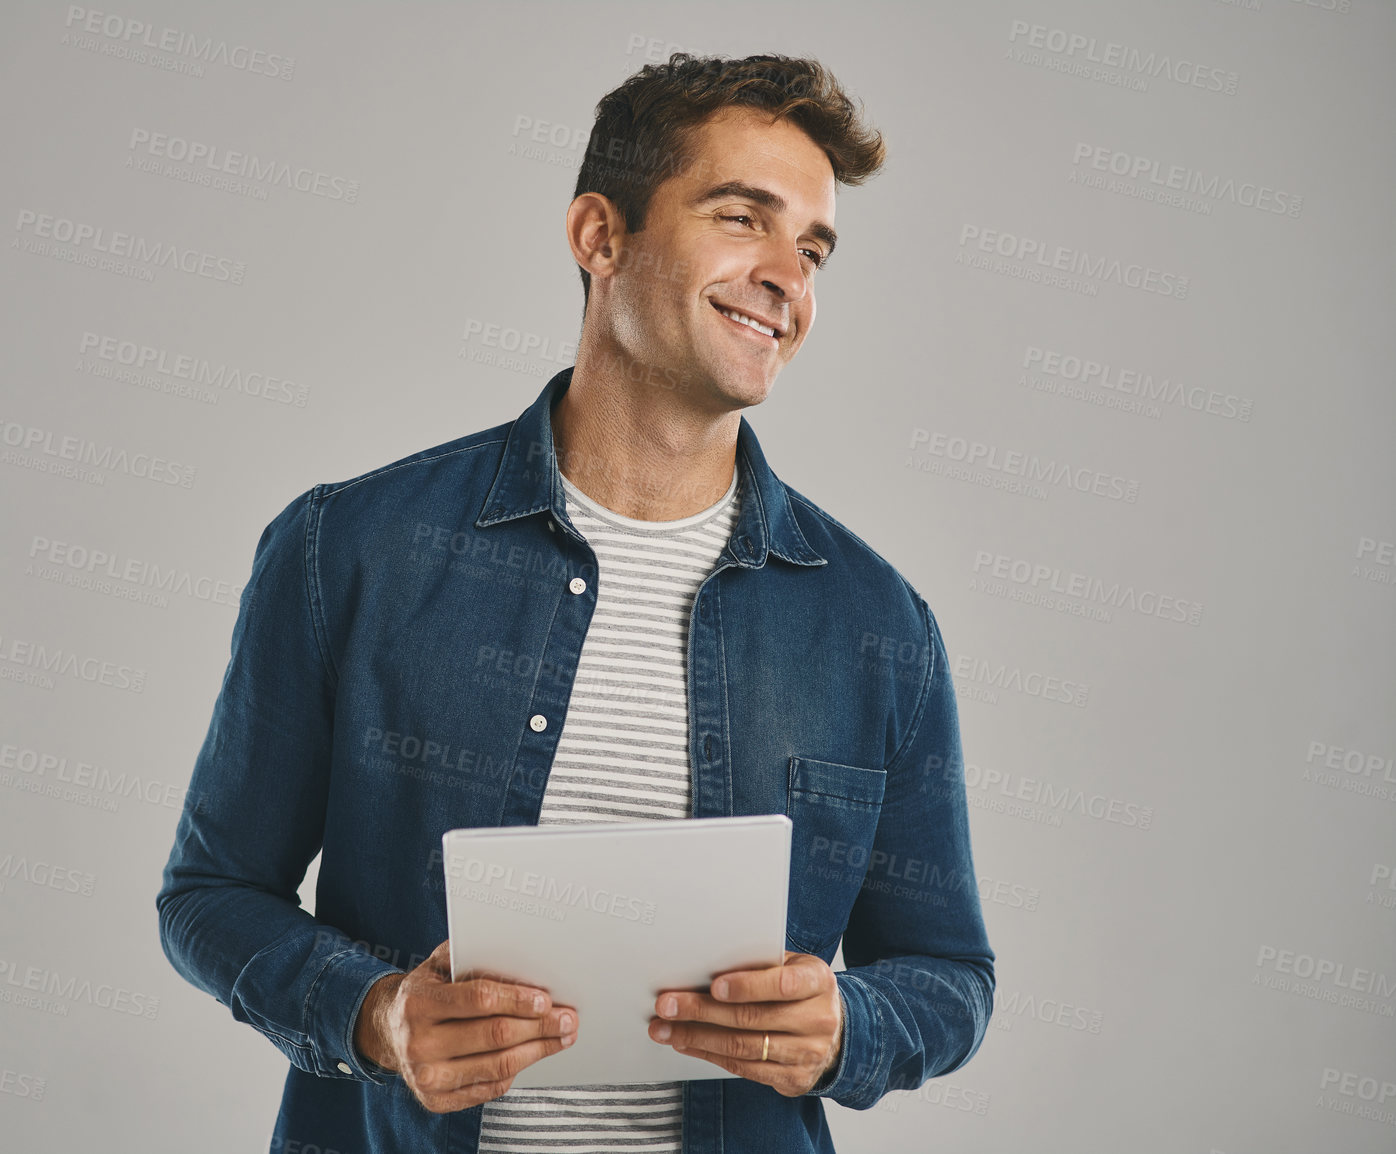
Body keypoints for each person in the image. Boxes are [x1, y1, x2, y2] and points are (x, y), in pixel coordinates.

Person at [158, 52, 995, 1153]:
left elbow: (950, 975)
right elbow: (211, 894)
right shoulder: (348, 550)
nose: (788, 276)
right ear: (600, 237)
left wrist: (852, 1023)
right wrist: (377, 1014)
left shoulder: (877, 624)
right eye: (743, 218)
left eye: (814, 246)